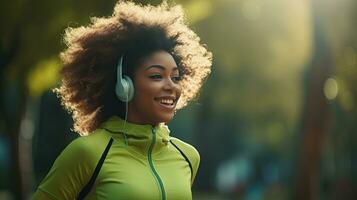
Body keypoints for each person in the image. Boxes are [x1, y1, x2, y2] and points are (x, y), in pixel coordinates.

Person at [32, 1, 212, 199]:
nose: (171, 86)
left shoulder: (187, 156)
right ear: (124, 84)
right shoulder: (88, 152)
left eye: (176, 77)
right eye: (156, 76)